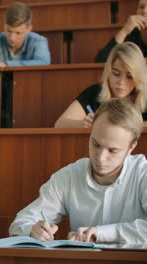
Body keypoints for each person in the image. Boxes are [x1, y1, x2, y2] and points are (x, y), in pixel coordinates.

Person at [10, 98, 147, 244]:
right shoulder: (69, 176)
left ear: (131, 147)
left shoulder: (142, 173)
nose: (100, 158)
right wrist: (32, 230)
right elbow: (18, 224)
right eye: (95, 144)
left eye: (113, 150)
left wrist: (101, 233)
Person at [55, 42, 147, 128]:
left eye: (129, 77)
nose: (121, 82)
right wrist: (82, 123)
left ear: (138, 78)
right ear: (108, 72)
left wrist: (126, 125)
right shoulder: (94, 92)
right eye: (116, 73)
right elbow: (59, 124)